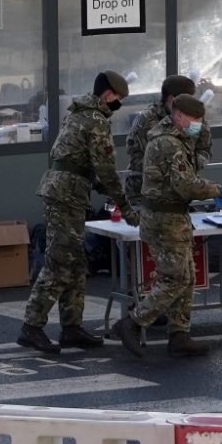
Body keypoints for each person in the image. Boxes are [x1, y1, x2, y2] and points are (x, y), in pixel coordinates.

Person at [18, 70, 140, 354]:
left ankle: (71, 328)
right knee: (60, 262)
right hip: (66, 196)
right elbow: (107, 172)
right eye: (118, 99)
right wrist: (125, 206)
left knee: (75, 264)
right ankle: (31, 327)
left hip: (65, 192)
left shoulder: (77, 114)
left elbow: (80, 162)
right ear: (108, 96)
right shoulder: (96, 121)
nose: (118, 105)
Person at [113, 95, 222, 358]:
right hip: (165, 221)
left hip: (172, 217)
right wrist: (216, 189)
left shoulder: (174, 139)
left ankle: (179, 334)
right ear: (178, 116)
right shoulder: (168, 144)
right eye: (195, 119)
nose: (198, 124)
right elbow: (185, 185)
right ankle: (132, 322)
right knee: (175, 278)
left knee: (186, 276)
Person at [125, 74, 213, 206]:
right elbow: (135, 156)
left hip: (182, 190)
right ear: (172, 99)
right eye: (187, 99)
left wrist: (190, 166)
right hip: (145, 193)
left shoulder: (194, 118)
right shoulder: (146, 120)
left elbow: (205, 149)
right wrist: (166, 170)